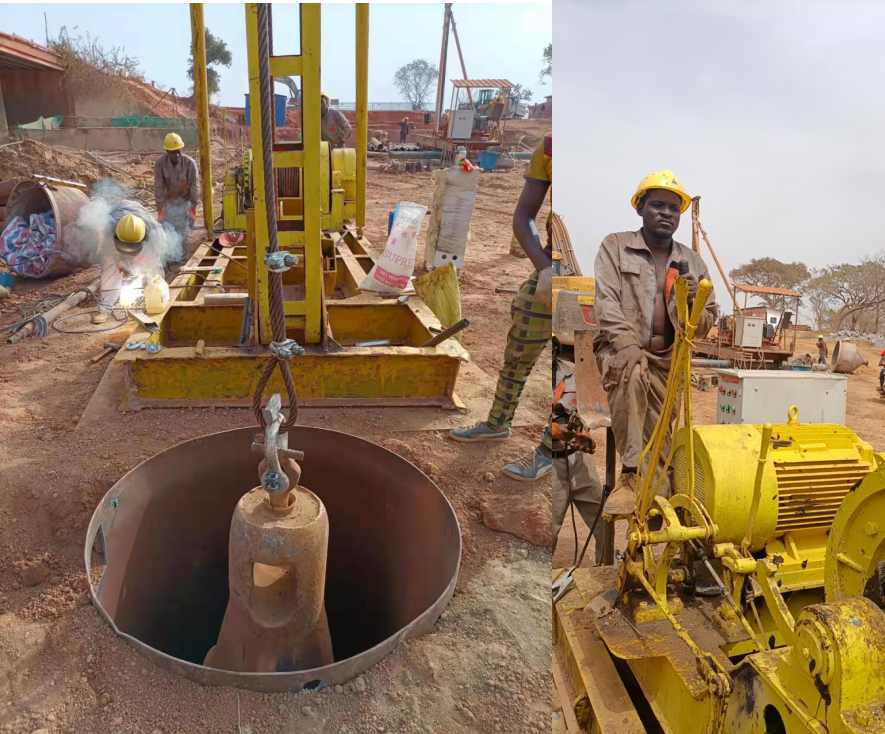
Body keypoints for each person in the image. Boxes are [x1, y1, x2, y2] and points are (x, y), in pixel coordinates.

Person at [594, 170, 718, 517]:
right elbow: (605, 301)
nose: (666, 213)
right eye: (657, 205)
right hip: (621, 351)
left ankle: (651, 528)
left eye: (673, 208)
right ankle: (630, 473)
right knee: (630, 375)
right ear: (640, 209)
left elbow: (707, 322)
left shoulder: (693, 263)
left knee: (661, 446)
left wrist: (694, 303)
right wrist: (627, 344)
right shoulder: (615, 245)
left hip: (669, 363)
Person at [449, 132, 554, 481]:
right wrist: (545, 268)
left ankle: (552, 451)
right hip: (555, 271)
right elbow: (523, 216)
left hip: (597, 279)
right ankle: (497, 424)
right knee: (518, 351)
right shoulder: (551, 149)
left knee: (570, 371)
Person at [551, 355, 607, 562]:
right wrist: (553, 430)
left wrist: (584, 433)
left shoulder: (573, 371)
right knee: (549, 533)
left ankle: (604, 572)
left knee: (604, 524)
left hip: (580, 463)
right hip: (550, 466)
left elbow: (586, 410)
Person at [93, 201, 167, 324]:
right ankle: (105, 308)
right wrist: (120, 265)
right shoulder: (108, 226)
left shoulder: (154, 232)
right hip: (118, 216)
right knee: (109, 264)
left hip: (144, 229)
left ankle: (157, 300)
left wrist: (142, 261)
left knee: (154, 266)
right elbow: (108, 250)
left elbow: (160, 252)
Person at [154, 132, 200, 253]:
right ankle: (171, 257)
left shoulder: (190, 164)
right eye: (174, 152)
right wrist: (160, 210)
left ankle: (183, 258)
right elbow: (158, 187)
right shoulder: (160, 164)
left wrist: (193, 209)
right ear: (167, 152)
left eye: (179, 151)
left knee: (183, 233)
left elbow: (194, 187)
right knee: (169, 232)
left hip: (184, 202)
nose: (178, 155)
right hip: (169, 203)